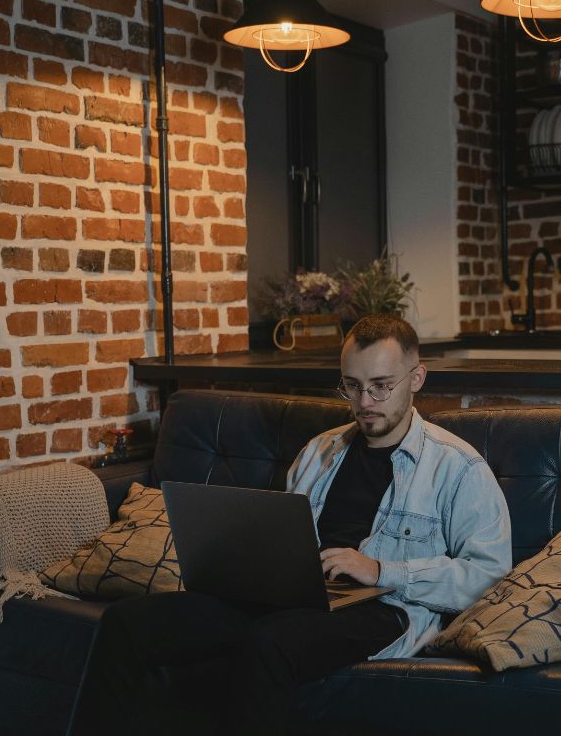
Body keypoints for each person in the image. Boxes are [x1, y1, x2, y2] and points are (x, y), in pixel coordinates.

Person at [67, 314, 512, 735]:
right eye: (352, 387)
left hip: (385, 608)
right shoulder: (319, 452)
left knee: (271, 642)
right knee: (126, 623)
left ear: (417, 378)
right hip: (296, 595)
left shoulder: (457, 468)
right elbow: (280, 538)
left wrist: (381, 571)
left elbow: (488, 575)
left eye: (380, 387)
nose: (364, 403)